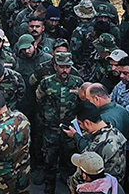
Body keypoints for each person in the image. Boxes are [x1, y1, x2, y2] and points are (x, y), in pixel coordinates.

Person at [36, 52, 84, 194]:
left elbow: (82, 102)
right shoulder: (46, 82)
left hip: (70, 128)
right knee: (49, 158)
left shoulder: (78, 82)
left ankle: (68, 181)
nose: (65, 70)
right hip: (51, 128)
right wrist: (47, 115)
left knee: (69, 157)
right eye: (62, 67)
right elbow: (39, 99)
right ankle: (49, 185)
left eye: (67, 67)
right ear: (55, 66)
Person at [64, 102, 127, 190]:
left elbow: (80, 177)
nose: (81, 127)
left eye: (80, 124)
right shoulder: (117, 133)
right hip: (115, 186)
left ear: (87, 123)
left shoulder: (97, 147)